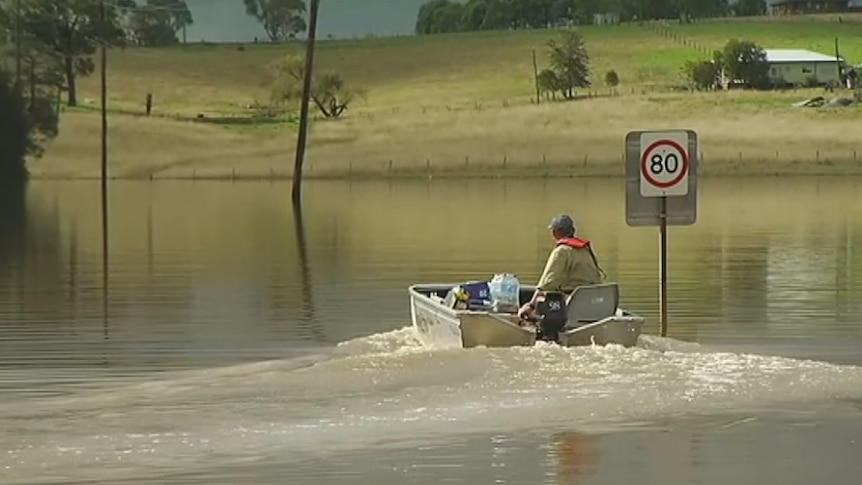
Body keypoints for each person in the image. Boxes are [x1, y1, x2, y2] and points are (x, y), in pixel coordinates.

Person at [517, 214, 605, 321]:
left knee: (538, 299)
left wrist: (530, 306)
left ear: (555, 233)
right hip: (594, 303)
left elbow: (547, 284)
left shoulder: (561, 251)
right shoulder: (585, 250)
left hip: (572, 306)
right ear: (573, 230)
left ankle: (539, 330)